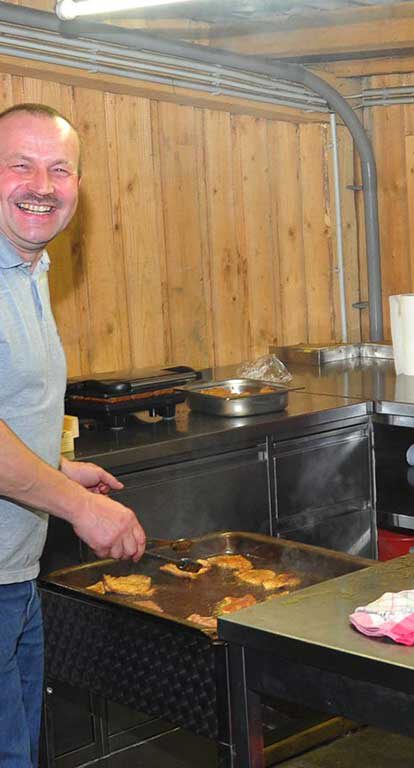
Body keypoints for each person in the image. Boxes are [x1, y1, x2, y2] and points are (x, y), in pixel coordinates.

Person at [0, 103, 146, 768]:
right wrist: (78, 506)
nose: (42, 185)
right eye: (20, 165)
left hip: (15, 575)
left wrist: (56, 468)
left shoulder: (30, 265)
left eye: (60, 169)